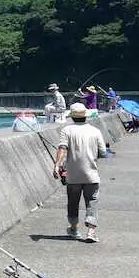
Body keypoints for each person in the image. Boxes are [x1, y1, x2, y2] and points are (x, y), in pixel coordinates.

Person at [52, 102, 107, 242]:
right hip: (91, 174)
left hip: (73, 175)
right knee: (92, 201)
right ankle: (91, 232)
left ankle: (74, 229)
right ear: (85, 116)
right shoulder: (95, 131)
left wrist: (57, 165)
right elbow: (103, 152)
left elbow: (62, 148)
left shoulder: (67, 130)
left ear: (72, 117)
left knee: (73, 202)